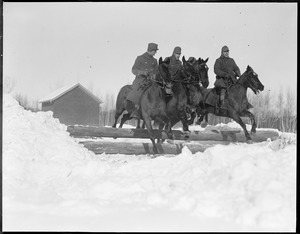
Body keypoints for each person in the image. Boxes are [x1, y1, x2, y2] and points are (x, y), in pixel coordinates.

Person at [126, 42, 159, 118]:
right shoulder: (140, 58)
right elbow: (134, 70)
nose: (156, 52)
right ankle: (135, 110)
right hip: (140, 80)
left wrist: (154, 75)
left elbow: (156, 71)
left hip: (151, 81)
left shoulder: (154, 60)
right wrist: (143, 72)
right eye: (155, 51)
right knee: (137, 93)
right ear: (151, 50)